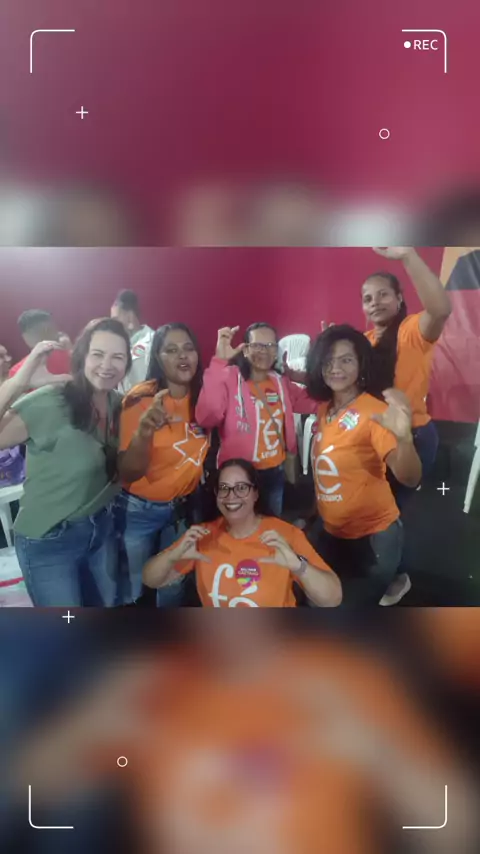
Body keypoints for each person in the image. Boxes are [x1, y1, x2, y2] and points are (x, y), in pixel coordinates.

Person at [0, 318, 131, 607]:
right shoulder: (51, 401)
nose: (106, 365)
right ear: (82, 356)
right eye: (98, 354)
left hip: (101, 530)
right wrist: (19, 383)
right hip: (50, 541)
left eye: (117, 357)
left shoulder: (120, 405)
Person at [305, 324, 421, 608]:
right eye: (328, 360)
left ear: (361, 364)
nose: (336, 368)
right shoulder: (325, 408)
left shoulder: (376, 413)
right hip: (331, 531)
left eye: (346, 360)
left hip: (372, 539)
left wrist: (404, 439)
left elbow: (410, 477)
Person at [362, 246, 452, 603]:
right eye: (367, 298)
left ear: (399, 298)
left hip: (411, 437)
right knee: (376, 507)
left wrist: (407, 256)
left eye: (383, 294)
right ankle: (381, 561)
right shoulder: (365, 342)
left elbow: (440, 309)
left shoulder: (411, 330)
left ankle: (399, 574)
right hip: (375, 437)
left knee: (391, 512)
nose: (375, 302)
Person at [143, 458, 342, 607]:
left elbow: (333, 598)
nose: (231, 496)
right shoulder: (203, 535)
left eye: (241, 488)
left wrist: (299, 567)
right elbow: (150, 579)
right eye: (224, 488)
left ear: (255, 493)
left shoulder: (285, 535)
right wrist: (172, 556)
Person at [116, 323, 208, 607]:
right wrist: (144, 431)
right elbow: (128, 472)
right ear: (157, 356)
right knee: (134, 588)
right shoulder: (141, 400)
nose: (183, 356)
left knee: (172, 584)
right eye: (171, 350)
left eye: (188, 348)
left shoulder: (205, 397)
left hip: (181, 510)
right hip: (139, 512)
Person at [195, 324, 315, 516]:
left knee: (270, 523)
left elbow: (314, 402)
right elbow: (207, 417)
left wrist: (306, 375)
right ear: (245, 349)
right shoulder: (229, 378)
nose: (264, 351)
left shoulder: (280, 382)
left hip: (274, 471)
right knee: (237, 525)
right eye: (258, 345)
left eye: (270, 345)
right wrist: (219, 362)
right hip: (238, 475)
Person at [111, 289, 155, 393]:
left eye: (116, 320)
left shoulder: (153, 342)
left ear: (129, 318)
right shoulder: (121, 348)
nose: (113, 326)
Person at [8, 309, 70, 379]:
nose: (56, 335)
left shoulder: (69, 356)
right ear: (26, 338)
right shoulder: (17, 372)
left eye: (51, 330)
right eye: (44, 332)